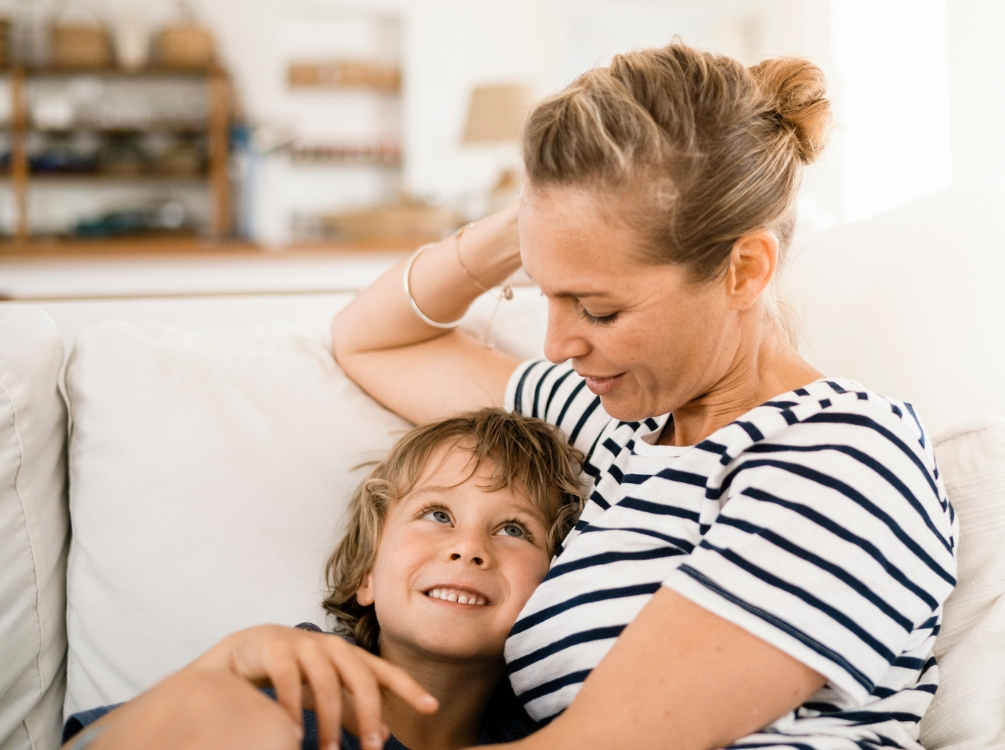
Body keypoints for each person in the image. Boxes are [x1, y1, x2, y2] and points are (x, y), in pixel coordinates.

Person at [81, 42, 958, 750]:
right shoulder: (624, 428)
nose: (559, 344)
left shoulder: (842, 457)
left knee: (223, 720)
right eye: (547, 293)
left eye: (601, 307)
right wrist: (540, 218)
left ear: (745, 268)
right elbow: (372, 339)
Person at [61, 409, 586, 750]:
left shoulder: (562, 725)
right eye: (438, 515)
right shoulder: (281, 684)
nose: (469, 548)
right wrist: (219, 671)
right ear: (366, 574)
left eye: (513, 528)